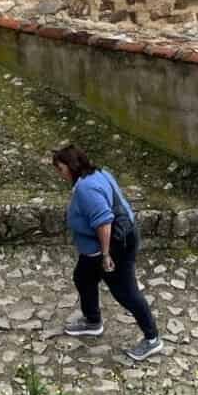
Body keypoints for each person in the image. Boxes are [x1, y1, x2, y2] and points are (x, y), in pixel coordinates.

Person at [51, 143, 162, 362]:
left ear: (71, 167)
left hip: (114, 246)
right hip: (101, 246)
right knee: (83, 277)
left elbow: (104, 223)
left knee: (125, 292)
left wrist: (106, 255)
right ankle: (93, 321)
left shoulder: (86, 189)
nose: (59, 174)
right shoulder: (98, 173)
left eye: (60, 169)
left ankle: (152, 338)